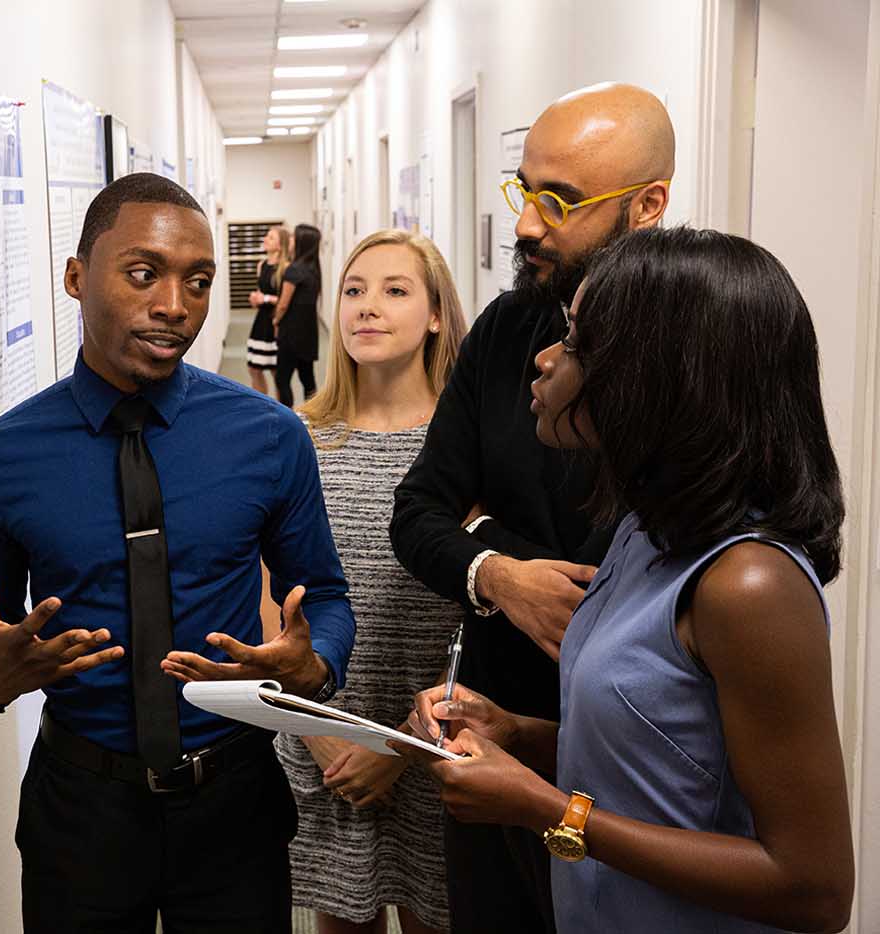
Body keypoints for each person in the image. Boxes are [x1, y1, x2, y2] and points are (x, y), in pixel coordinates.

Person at [399, 226, 854, 934]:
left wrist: (544, 809)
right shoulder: (647, 532)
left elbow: (814, 891)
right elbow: (660, 767)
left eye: (577, 343)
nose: (544, 361)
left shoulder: (749, 585)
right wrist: (517, 734)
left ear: (660, 375)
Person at [0, 172, 355, 934]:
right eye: (144, 275)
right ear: (75, 278)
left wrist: (316, 665)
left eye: (198, 282)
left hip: (234, 803)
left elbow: (324, 598)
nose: (175, 305)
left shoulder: (269, 437)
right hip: (81, 811)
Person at [388, 82, 674, 932]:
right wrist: (499, 572)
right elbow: (419, 513)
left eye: (561, 201)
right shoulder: (510, 328)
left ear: (648, 205)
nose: (524, 225)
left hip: (636, 754)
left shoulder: (693, 348)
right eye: (524, 189)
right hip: (493, 727)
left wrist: (479, 521)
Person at [275, 229, 467, 934]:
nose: (368, 307)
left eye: (395, 290)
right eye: (354, 291)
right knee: (340, 919)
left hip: (435, 739)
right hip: (326, 740)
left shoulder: (464, 447)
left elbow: (481, 621)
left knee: (433, 917)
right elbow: (279, 609)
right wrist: (323, 737)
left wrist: (401, 747)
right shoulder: (300, 438)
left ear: (437, 314)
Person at [273, 222, 322, 408]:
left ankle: (288, 415)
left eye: (293, 237)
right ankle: (316, 414)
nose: (290, 240)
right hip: (308, 332)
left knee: (282, 378)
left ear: (301, 242)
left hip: (291, 332)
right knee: (307, 377)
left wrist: (276, 320)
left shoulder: (293, 270)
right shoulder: (314, 269)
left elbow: (283, 304)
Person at [247, 225, 292, 394]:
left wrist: (265, 298)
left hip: (277, 322)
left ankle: (280, 410)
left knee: (276, 371)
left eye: (271, 237)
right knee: (254, 368)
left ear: (281, 245)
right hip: (261, 320)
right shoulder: (262, 265)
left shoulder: (287, 268)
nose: (265, 239)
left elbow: (287, 301)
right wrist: (256, 299)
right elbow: (261, 291)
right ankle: (263, 406)